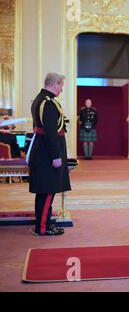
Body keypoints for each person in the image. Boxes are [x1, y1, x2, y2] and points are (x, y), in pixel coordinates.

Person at [28, 73, 70, 236]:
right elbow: (50, 133)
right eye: (61, 86)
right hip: (47, 153)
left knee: (45, 190)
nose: (61, 89)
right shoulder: (48, 103)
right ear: (54, 83)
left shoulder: (40, 99)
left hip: (41, 150)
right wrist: (56, 156)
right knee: (48, 190)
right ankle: (43, 227)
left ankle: (45, 223)